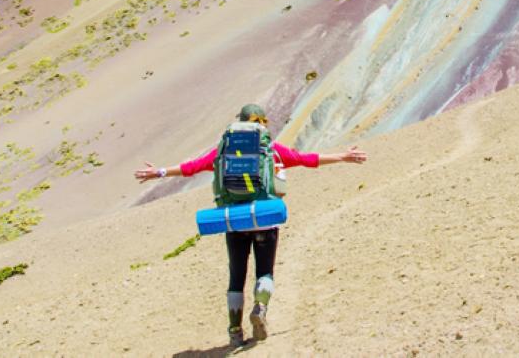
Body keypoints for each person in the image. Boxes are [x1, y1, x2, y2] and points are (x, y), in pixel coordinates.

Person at [134, 103, 367, 347]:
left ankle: (235, 330)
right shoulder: (270, 150)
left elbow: (190, 167)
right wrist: (343, 156)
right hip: (264, 217)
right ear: (262, 123)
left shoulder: (223, 150)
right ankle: (261, 307)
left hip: (234, 220)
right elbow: (305, 159)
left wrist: (159, 172)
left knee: (236, 276)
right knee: (264, 271)